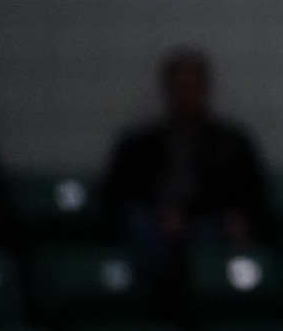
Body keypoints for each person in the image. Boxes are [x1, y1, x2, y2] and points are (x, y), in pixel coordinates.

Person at [102, 48, 269, 302]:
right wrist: (162, 213)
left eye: (193, 87)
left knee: (209, 238)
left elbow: (254, 193)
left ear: (205, 90)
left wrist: (230, 217)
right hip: (154, 222)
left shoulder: (231, 143)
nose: (186, 95)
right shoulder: (139, 144)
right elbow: (117, 193)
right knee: (141, 227)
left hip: (209, 222)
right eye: (180, 87)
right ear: (167, 90)